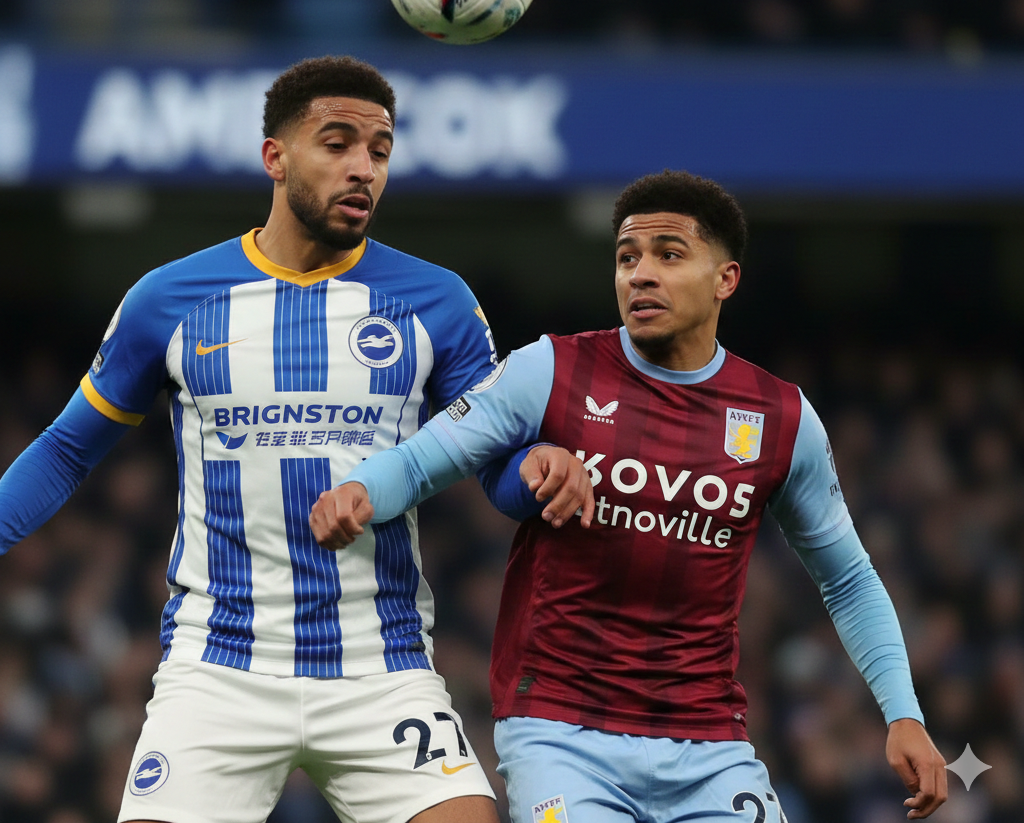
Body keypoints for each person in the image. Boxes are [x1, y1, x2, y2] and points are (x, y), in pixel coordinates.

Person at [0, 55, 589, 823]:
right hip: (219, 670)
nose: (363, 169)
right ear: (275, 157)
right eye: (337, 143)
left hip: (382, 666)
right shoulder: (170, 299)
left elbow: (495, 471)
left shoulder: (437, 302)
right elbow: (68, 449)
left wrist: (538, 470)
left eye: (379, 150)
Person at [311, 169, 949, 823]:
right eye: (627, 257)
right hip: (560, 733)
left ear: (725, 279)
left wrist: (903, 713)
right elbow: (422, 460)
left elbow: (847, 577)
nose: (640, 274)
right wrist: (359, 491)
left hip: (709, 744)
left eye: (669, 255)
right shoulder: (551, 370)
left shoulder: (781, 418)